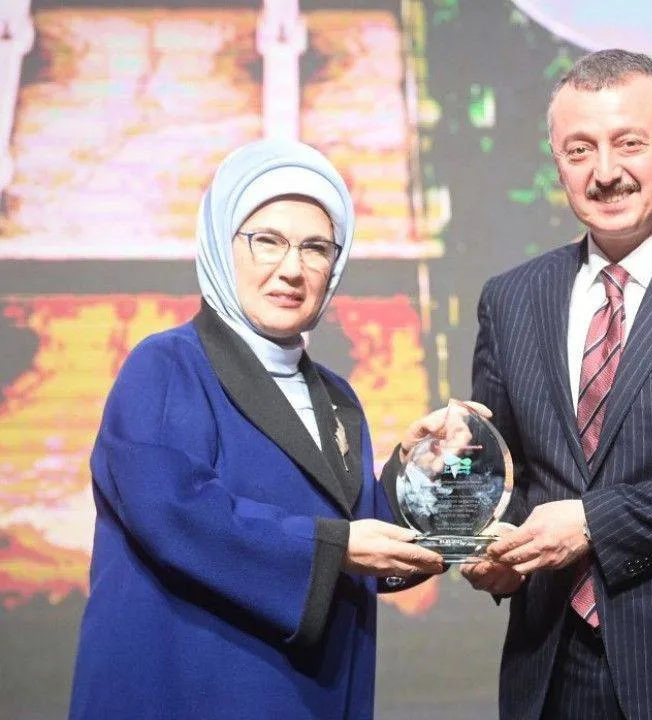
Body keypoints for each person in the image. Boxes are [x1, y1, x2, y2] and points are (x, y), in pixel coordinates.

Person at [396, 49, 652, 719]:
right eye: (579, 149)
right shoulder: (512, 299)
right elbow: (510, 478)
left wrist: (595, 522)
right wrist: (458, 493)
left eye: (629, 143)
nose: (604, 172)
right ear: (556, 161)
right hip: (554, 671)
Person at [70, 139, 446, 720]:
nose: (292, 269)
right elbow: (177, 515)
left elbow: (361, 540)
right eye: (267, 240)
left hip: (306, 695)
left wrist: (417, 470)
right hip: (188, 694)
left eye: (316, 248)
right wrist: (334, 548)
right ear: (223, 244)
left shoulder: (336, 398)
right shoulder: (166, 367)